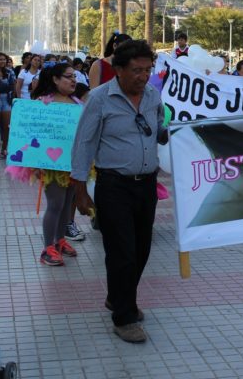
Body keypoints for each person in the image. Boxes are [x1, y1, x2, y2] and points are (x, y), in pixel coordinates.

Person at [71, 39, 167, 343]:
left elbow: (161, 129)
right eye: (136, 70)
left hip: (147, 185)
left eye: (147, 70)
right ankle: (124, 316)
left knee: (141, 249)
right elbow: (84, 144)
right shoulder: (99, 99)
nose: (143, 76)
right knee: (121, 252)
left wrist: (181, 130)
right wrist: (79, 190)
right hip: (113, 186)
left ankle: (117, 296)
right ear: (119, 70)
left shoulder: (153, 95)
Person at [29, 63, 85, 265]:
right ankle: (47, 248)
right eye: (68, 77)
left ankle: (60, 240)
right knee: (55, 205)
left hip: (72, 163)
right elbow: (32, 133)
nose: (73, 80)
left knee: (67, 204)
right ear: (55, 79)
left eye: (75, 77)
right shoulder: (44, 103)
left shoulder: (77, 102)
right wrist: (36, 162)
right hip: (51, 165)